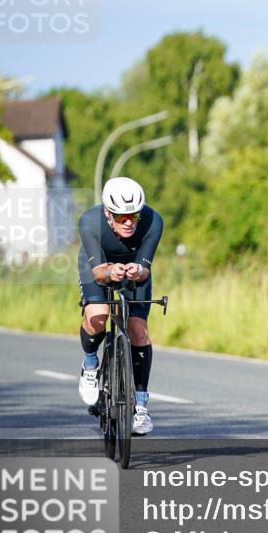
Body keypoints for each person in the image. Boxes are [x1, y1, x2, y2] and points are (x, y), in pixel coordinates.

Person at [76, 177, 163, 435]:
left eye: (133, 216)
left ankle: (142, 406)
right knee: (98, 315)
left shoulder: (153, 221)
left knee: (138, 329)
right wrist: (111, 270)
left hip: (133, 267)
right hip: (99, 265)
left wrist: (138, 271)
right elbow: (100, 274)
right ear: (107, 213)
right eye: (120, 217)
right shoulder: (90, 222)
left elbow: (145, 271)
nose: (128, 222)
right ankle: (90, 364)